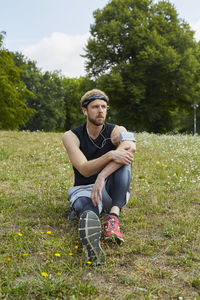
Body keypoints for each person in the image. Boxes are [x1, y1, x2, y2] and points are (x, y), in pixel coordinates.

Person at [62, 89, 136, 264]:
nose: (100, 110)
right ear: (85, 110)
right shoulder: (71, 136)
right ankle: (92, 242)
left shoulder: (117, 130)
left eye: (104, 107)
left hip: (109, 189)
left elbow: (130, 148)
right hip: (85, 188)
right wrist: (110, 155)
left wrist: (102, 176)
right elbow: (84, 169)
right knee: (86, 208)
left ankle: (113, 218)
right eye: (95, 107)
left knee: (125, 161)